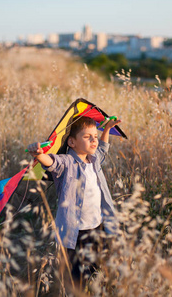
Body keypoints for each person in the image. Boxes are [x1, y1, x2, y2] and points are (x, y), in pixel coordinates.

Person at [27, 116, 121, 287]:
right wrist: (39, 155)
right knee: (77, 277)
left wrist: (106, 129)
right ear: (71, 142)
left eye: (95, 135)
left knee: (96, 268)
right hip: (76, 233)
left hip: (97, 227)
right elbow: (53, 162)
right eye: (87, 137)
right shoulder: (67, 163)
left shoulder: (94, 160)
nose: (94, 140)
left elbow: (103, 149)